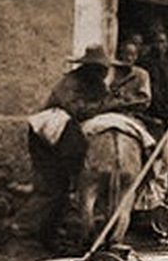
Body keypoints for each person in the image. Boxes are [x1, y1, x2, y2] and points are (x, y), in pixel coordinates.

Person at [23, 44, 118, 250]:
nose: (103, 73)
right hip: (47, 134)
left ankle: (49, 234)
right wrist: (104, 106)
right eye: (98, 68)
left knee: (63, 188)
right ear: (88, 67)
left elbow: (104, 103)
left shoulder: (99, 85)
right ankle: (29, 230)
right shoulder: (71, 82)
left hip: (66, 137)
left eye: (104, 69)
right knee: (53, 188)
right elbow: (76, 108)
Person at [109, 39, 151, 114]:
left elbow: (145, 100)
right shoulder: (112, 72)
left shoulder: (142, 74)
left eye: (132, 55)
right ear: (121, 54)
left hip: (133, 113)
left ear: (136, 57)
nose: (129, 58)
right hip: (112, 111)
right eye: (126, 54)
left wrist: (129, 99)